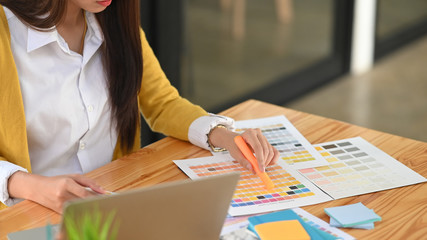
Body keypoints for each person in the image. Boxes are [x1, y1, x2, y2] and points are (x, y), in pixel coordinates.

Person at [0, 0, 279, 213]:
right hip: (28, 214)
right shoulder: (6, 32)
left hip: (113, 207)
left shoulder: (114, 23)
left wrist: (225, 136)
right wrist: (29, 186)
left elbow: (163, 103)